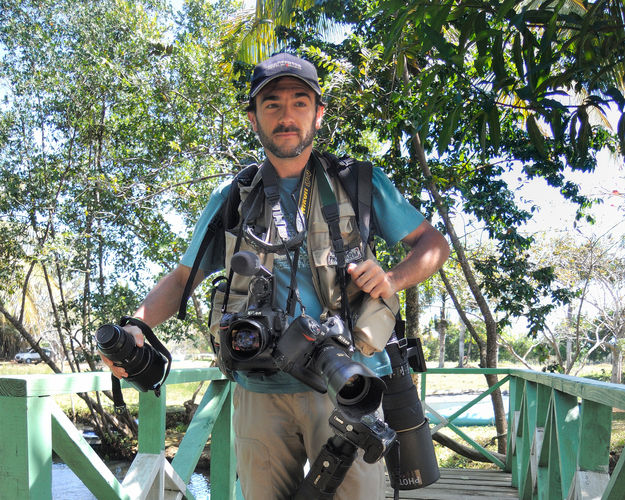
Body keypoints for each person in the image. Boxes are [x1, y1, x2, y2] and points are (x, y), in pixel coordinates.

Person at [100, 52, 449, 500]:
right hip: (260, 386)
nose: (287, 116)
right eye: (272, 104)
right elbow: (182, 278)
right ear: (253, 118)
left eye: (300, 102)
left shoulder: (359, 183)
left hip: (349, 383)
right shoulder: (233, 198)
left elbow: (432, 244)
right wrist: (137, 324)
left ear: (318, 115)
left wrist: (393, 280)